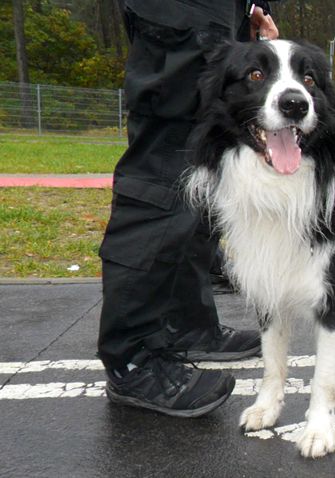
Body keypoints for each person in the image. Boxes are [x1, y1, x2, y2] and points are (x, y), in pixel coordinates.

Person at [97, 0, 279, 418]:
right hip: (182, 11)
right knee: (167, 165)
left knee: (204, 170)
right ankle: (133, 354)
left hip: (215, 12)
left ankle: (190, 324)